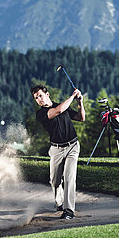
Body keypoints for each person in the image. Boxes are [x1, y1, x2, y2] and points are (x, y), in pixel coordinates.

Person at [31, 84, 85, 219]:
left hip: (72, 146)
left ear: (47, 94)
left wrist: (80, 103)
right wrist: (73, 96)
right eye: (36, 98)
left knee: (69, 177)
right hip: (56, 149)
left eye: (40, 96)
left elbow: (81, 118)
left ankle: (69, 210)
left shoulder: (62, 106)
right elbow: (58, 111)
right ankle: (59, 203)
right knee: (55, 181)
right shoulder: (41, 113)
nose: (39, 99)